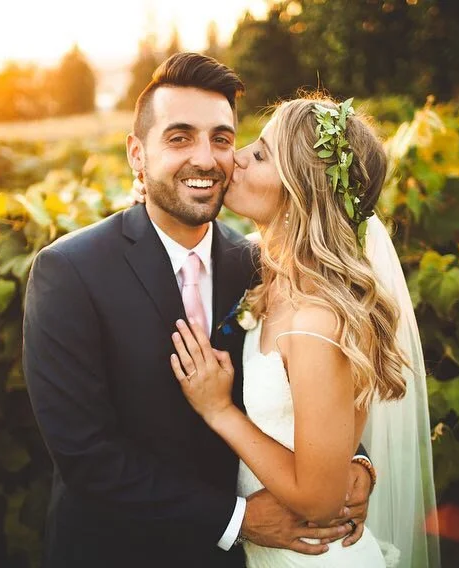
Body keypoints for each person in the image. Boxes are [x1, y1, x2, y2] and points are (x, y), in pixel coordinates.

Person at [22, 53, 375, 568]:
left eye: (222, 139)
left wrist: (356, 464)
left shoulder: (261, 265)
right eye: (180, 137)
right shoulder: (69, 272)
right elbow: (85, 457)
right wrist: (236, 520)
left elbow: (312, 381)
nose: (206, 159)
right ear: (137, 155)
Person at [167, 95, 440, 567]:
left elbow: (318, 501)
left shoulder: (316, 320)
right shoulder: (269, 276)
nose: (237, 158)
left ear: (301, 192)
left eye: (261, 155)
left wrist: (219, 410)